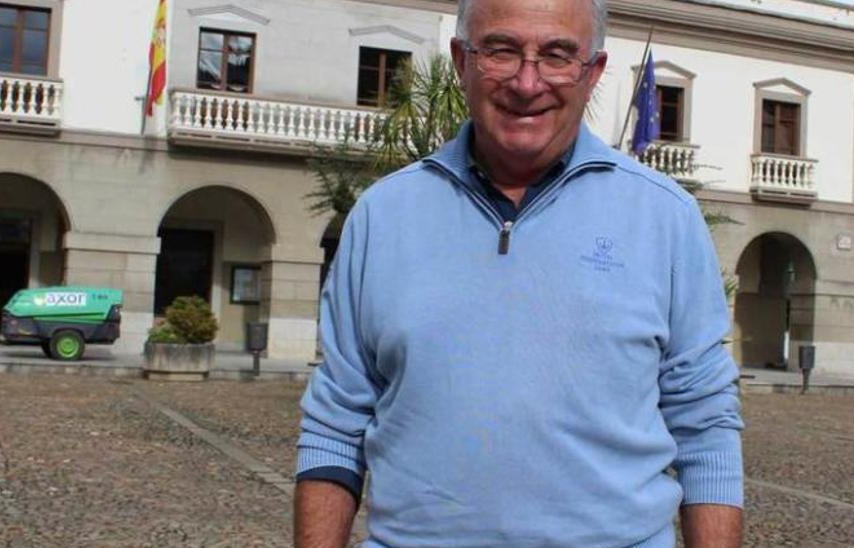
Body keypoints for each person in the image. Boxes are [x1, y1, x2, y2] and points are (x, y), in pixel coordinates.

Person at [294, 0, 744, 545]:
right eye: (502, 51)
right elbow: (335, 421)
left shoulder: (666, 217)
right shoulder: (380, 216)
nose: (528, 83)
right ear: (462, 61)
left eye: (557, 55)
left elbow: (706, 429)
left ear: (593, 72)